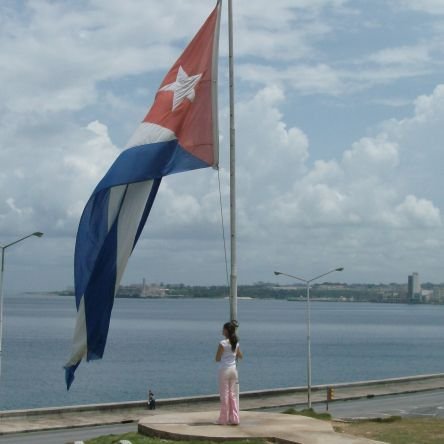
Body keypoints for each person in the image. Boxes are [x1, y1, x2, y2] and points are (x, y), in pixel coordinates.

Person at [215, 321, 243, 425]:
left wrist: (224, 357)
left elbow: (217, 358)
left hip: (224, 370)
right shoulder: (236, 343)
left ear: (226, 331)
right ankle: (234, 418)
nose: (222, 330)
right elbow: (240, 356)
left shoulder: (223, 343)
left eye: (223, 329)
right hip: (233, 370)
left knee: (224, 395)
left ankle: (223, 419)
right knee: (232, 395)